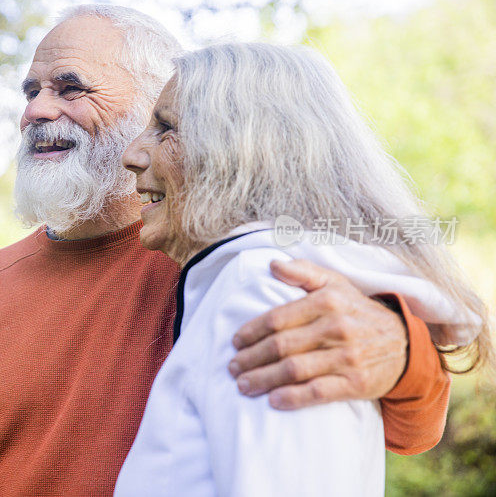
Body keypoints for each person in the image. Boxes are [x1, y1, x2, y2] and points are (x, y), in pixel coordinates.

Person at [0, 6, 452, 497]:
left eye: (70, 87)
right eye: (31, 92)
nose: (36, 111)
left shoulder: (236, 263)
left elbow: (414, 430)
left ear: (159, 102)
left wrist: (402, 352)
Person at [116, 43, 490, 496]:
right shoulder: (245, 280)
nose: (132, 154)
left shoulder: (263, 292)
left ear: (243, 152)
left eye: (165, 127)